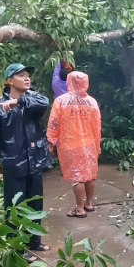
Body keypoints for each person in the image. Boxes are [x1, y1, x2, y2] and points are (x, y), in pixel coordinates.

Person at [0, 63, 52, 262]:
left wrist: (18, 103)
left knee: (35, 202)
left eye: (28, 75)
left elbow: (44, 103)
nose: (27, 78)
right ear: (10, 81)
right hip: (14, 162)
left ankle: (34, 240)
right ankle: (16, 246)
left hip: (34, 160)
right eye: (21, 75)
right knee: (15, 206)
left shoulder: (33, 98)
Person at [46, 71, 102, 218]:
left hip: (70, 145)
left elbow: (54, 122)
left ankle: (79, 209)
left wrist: (51, 140)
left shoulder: (61, 101)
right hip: (89, 143)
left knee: (77, 177)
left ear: (69, 82)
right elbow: (97, 126)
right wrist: (97, 145)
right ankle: (89, 204)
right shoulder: (92, 102)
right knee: (89, 175)